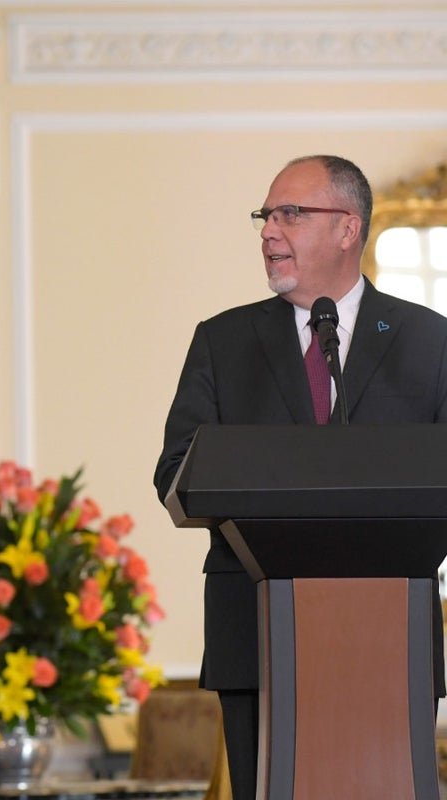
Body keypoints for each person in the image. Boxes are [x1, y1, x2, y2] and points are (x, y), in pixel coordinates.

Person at [153, 154, 447, 800]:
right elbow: (176, 472)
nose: (268, 231)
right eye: (266, 215)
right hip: (254, 635)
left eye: (291, 213)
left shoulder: (430, 342)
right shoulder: (222, 342)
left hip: (390, 641)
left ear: (347, 228)